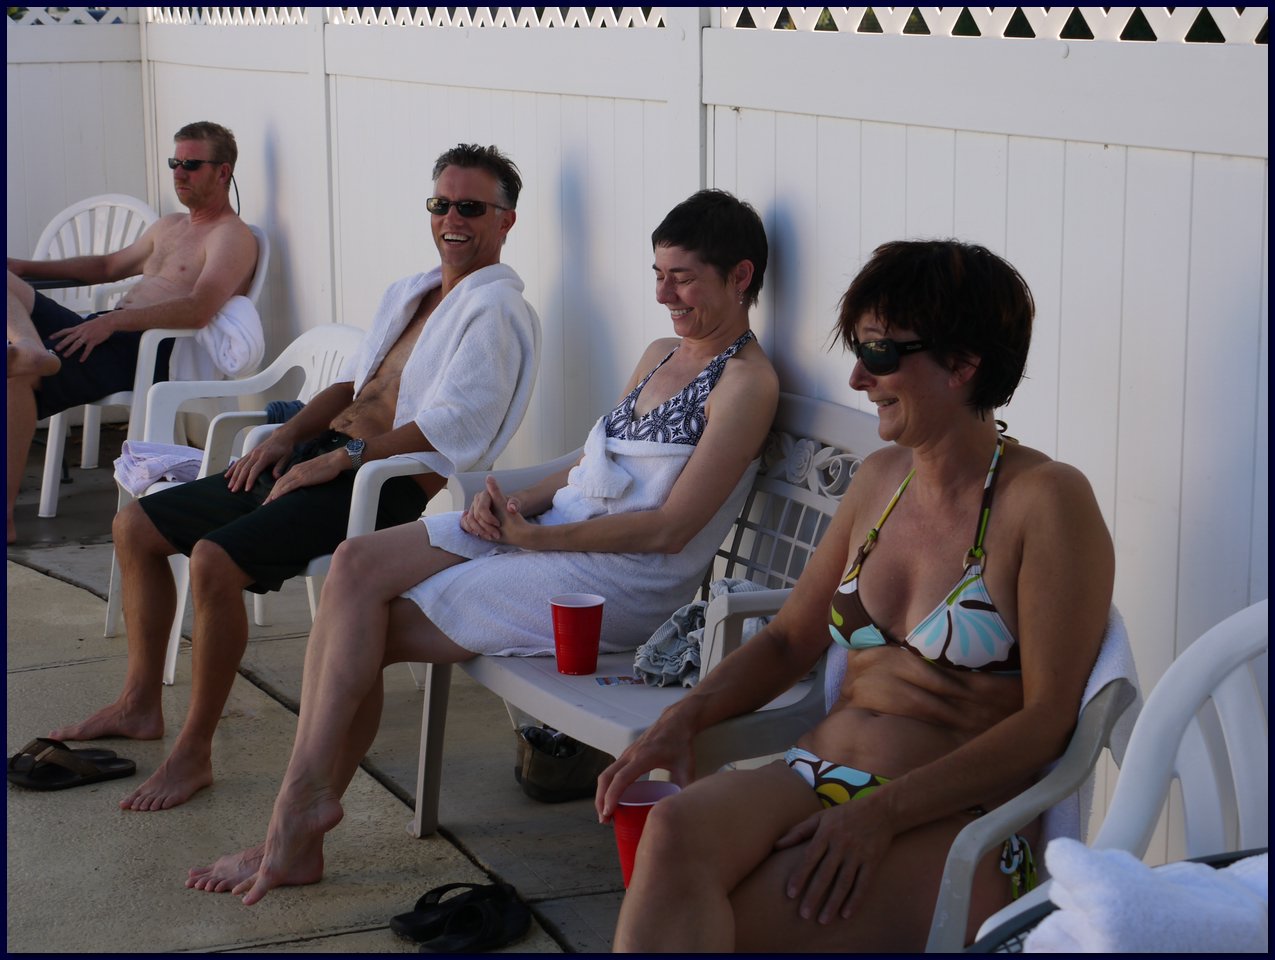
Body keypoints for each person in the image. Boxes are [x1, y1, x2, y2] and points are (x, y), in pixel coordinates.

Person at [184, 188, 779, 905]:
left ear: (739, 276)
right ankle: (300, 812)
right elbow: (590, 463)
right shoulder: (660, 354)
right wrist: (517, 504)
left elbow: (670, 529)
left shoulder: (745, 385)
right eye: (658, 274)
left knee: (365, 628)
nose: (663, 295)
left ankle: (296, 823)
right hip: (551, 536)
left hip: (615, 580)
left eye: (682, 278)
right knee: (355, 563)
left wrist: (535, 537)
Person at [595, 239, 1116, 952]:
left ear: (963, 364)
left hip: (959, 818)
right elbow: (789, 639)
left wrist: (882, 814)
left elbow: (1049, 721)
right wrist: (681, 718)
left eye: (878, 353)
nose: (858, 377)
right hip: (813, 771)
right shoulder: (879, 480)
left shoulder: (1045, 500)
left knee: (738, 923)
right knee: (672, 831)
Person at [50, 143, 542, 814]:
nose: (451, 219)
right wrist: (286, 436)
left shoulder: (498, 311)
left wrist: (345, 458)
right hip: (323, 453)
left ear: (505, 220)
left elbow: (457, 423)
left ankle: (194, 751)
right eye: (441, 204)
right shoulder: (414, 291)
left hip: (382, 483)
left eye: (470, 208)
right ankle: (139, 705)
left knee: (214, 560)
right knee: (135, 526)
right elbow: (354, 384)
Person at [7, 120, 259, 544]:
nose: (179, 173)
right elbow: (107, 266)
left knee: (16, 376)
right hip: (105, 328)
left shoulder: (231, 237)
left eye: (191, 165)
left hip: (138, 348)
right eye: (174, 163)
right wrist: (22, 267)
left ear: (223, 172)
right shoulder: (170, 226)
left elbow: (199, 308)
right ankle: (29, 346)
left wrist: (112, 322)